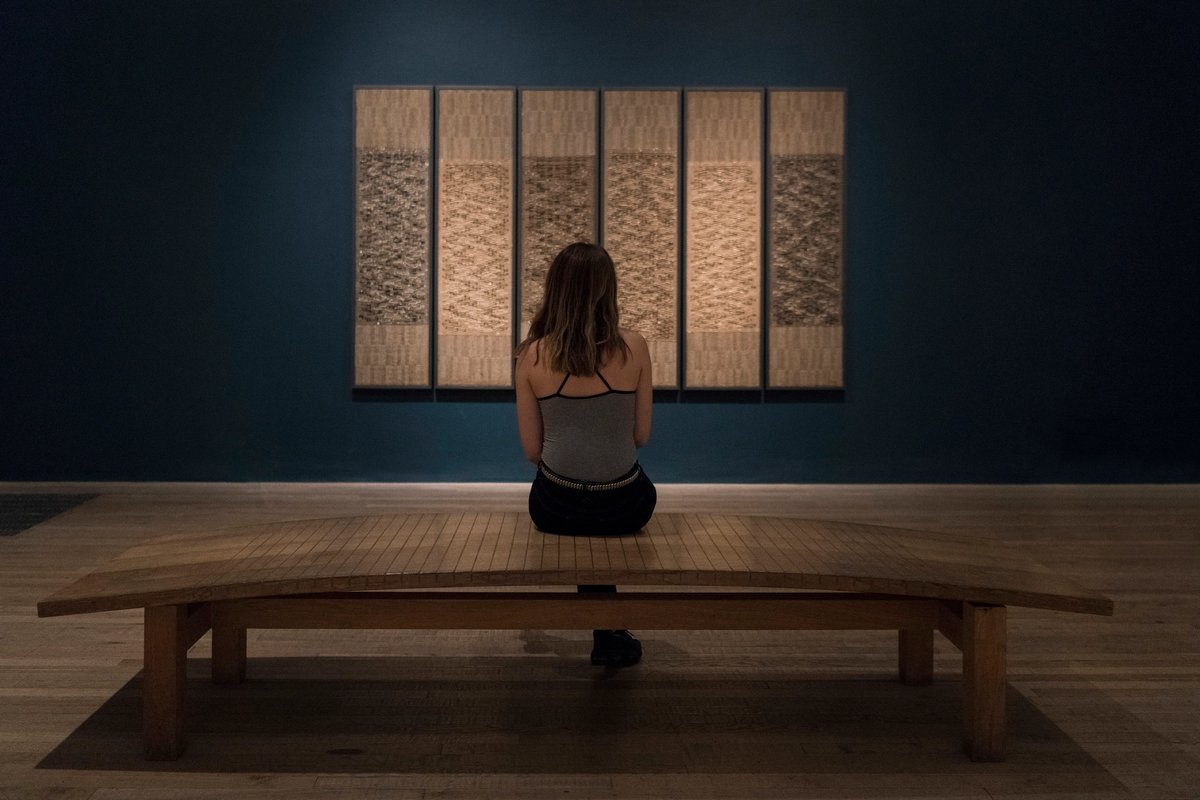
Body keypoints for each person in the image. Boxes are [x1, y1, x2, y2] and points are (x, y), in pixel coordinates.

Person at [514, 242, 657, 666]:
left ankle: (608, 629)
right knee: (620, 495)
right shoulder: (635, 347)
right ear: (607, 290)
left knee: (578, 505)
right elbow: (641, 435)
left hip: (555, 505)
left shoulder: (531, 355)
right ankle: (609, 631)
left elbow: (531, 451)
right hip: (625, 504)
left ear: (554, 289)